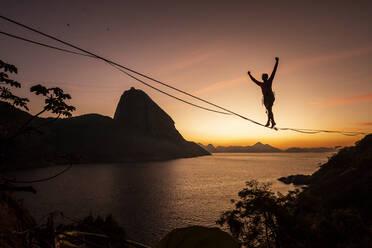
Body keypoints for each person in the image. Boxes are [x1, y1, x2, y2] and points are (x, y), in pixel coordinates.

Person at [248, 57, 279, 128]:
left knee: (269, 109)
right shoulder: (261, 84)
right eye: (263, 77)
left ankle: (272, 122)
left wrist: (277, 62)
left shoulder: (269, 81)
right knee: (269, 110)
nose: (263, 78)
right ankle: (270, 122)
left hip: (270, 97)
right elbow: (254, 80)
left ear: (266, 77)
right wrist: (249, 75)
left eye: (264, 77)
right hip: (265, 98)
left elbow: (274, 71)